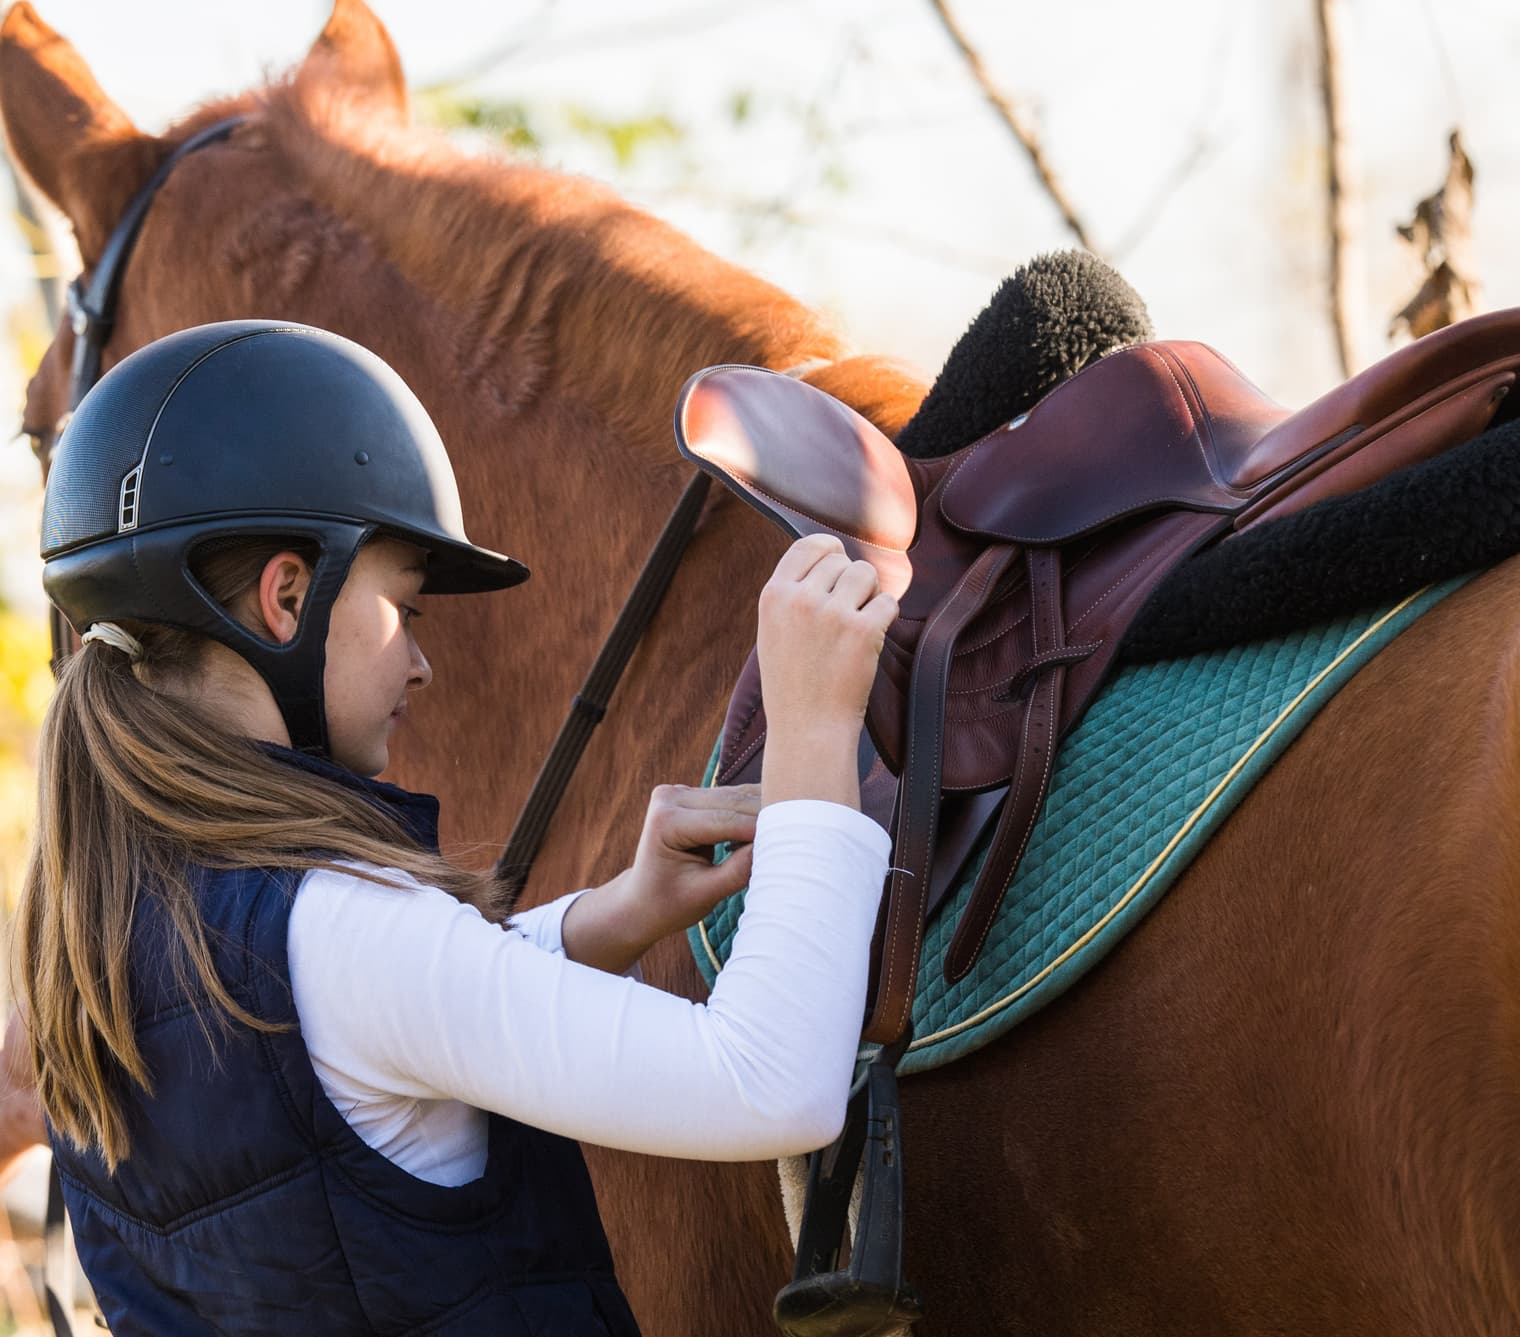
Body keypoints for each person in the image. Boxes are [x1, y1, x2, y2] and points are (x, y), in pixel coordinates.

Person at [14, 320, 897, 1335]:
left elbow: (336, 1051)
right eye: (408, 610)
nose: (420, 668)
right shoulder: (343, 923)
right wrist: (816, 723)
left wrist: (611, 915)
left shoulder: (109, 932)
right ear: (288, 598)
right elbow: (771, 1087)